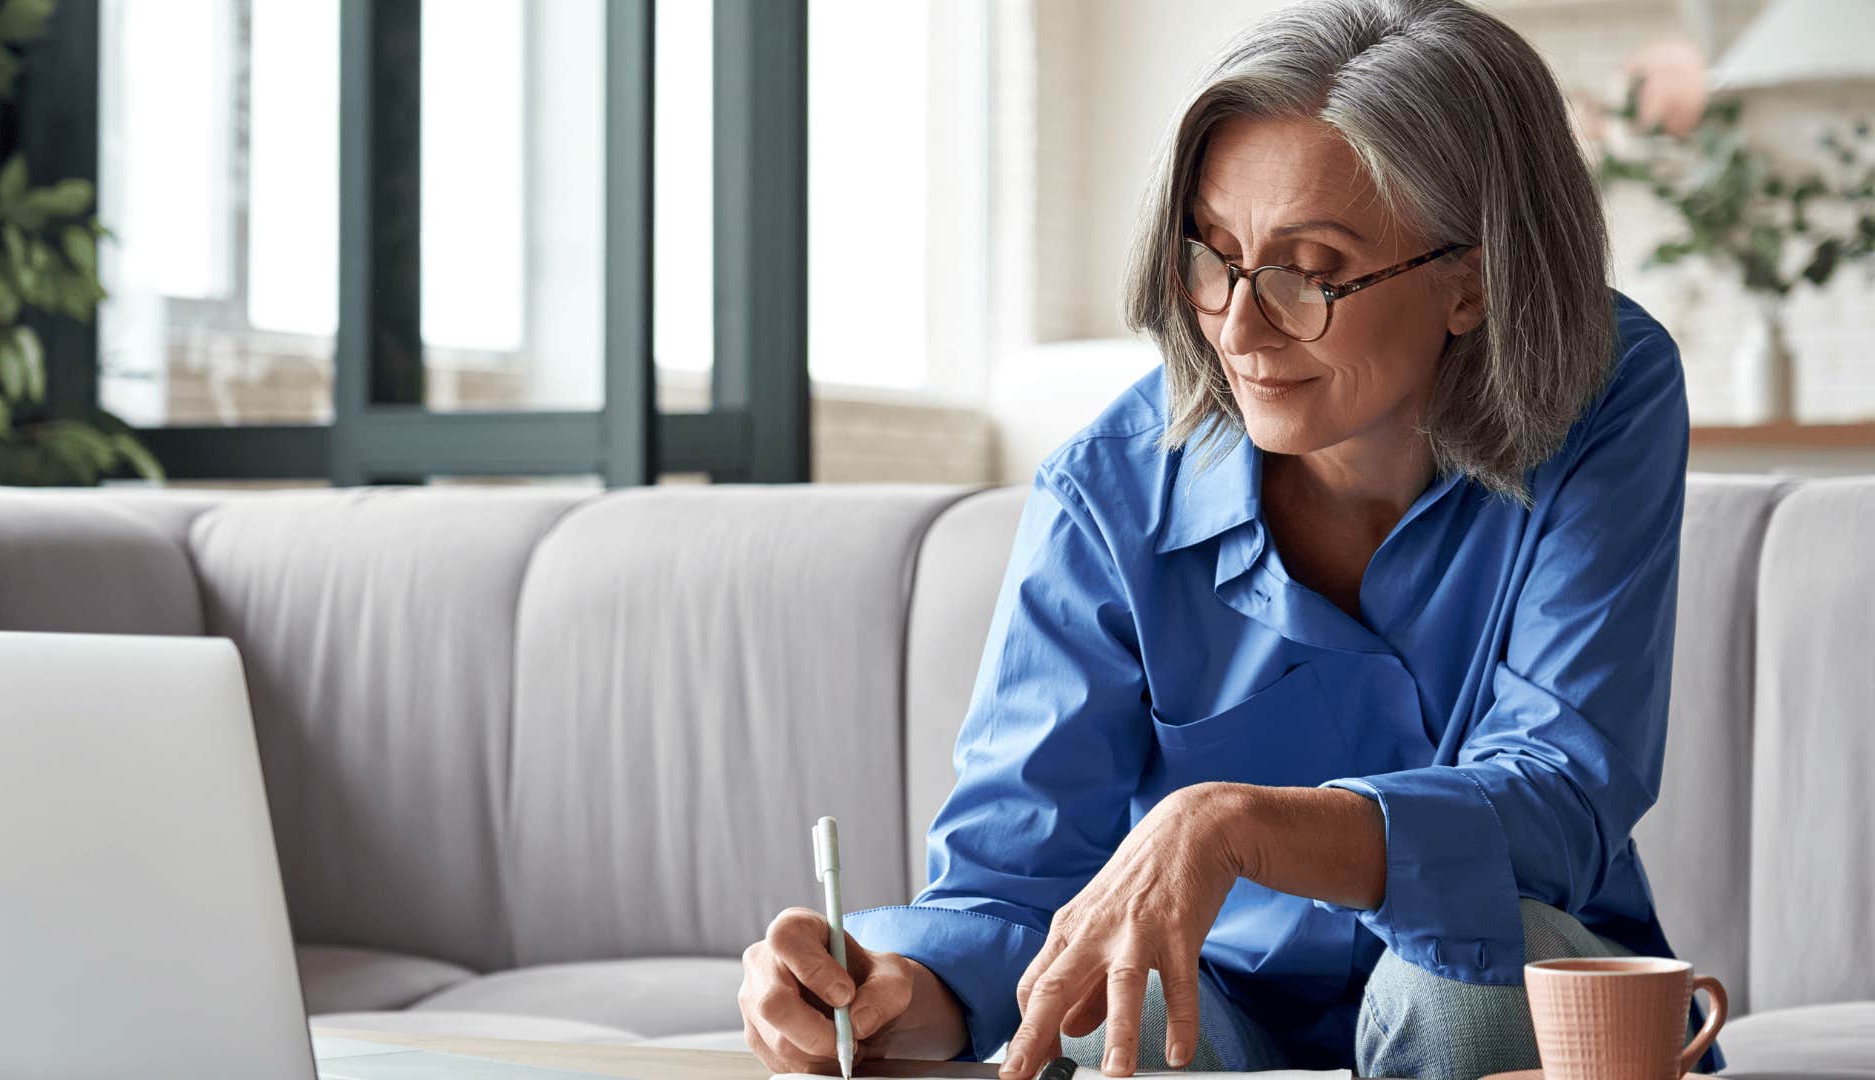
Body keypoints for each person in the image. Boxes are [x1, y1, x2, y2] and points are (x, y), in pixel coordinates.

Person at [738, 1, 1725, 1076]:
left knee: (1467, 977)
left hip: (1494, 985)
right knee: (1115, 1010)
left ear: (1471, 281)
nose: (1239, 330)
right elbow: (1013, 893)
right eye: (1212, 258)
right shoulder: (1107, 486)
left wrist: (1237, 823)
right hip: (1214, 997)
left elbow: (1561, 791)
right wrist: (889, 993)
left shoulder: (1605, 391)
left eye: (1310, 270)